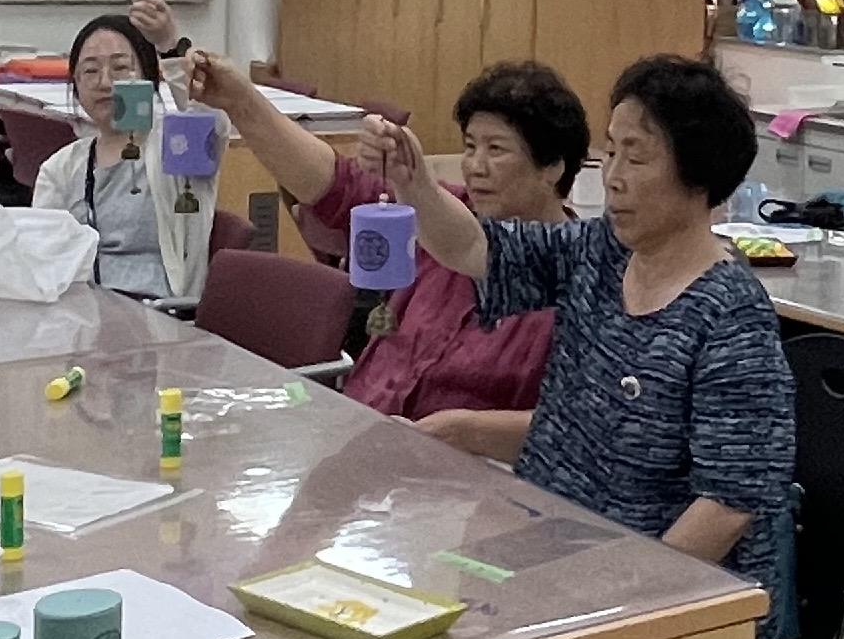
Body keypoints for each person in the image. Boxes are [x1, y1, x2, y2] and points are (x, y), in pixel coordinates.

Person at [361, 57, 795, 633]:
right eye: (610, 152)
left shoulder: (730, 315)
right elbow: (473, 249)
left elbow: (728, 505)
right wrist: (413, 184)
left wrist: (619, 607)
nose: (613, 176)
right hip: (547, 543)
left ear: (699, 175)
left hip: (658, 594)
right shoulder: (599, 251)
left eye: (636, 157)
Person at [183, 48, 580, 455]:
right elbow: (332, 182)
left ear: (554, 166)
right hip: (356, 439)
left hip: (453, 473)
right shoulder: (439, 212)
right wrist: (241, 101)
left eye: (496, 149)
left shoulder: (580, 278)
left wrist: (467, 431)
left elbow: (583, 426)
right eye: (470, 146)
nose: (475, 166)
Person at [40, 13, 174, 299]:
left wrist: (171, 45)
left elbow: (211, 114)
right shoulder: (60, 168)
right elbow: (43, 255)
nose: (105, 82)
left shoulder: (175, 150)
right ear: (76, 87)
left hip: (158, 313)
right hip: (79, 308)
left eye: (121, 68)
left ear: (149, 78)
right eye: (90, 71)